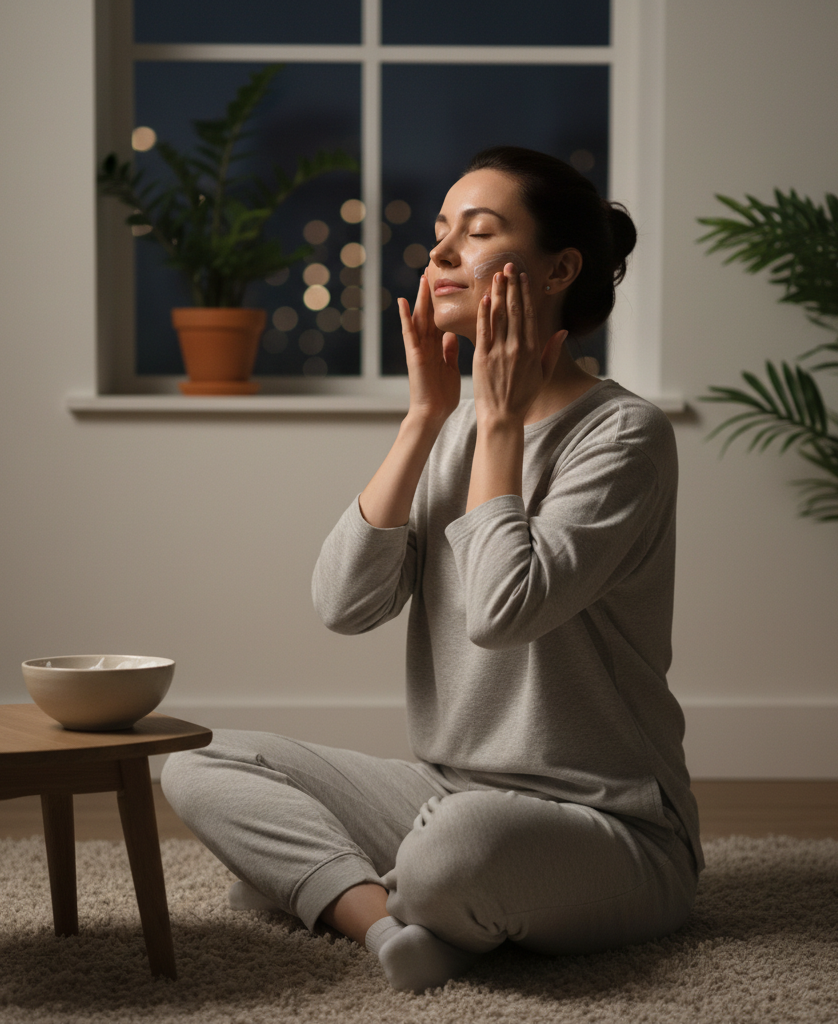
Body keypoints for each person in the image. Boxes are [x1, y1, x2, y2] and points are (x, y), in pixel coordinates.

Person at [162, 145, 704, 994]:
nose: (441, 254)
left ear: (559, 268)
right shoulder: (454, 428)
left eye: (477, 233)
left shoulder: (625, 437)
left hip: (610, 822)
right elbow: (344, 603)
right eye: (440, 232)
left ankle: (342, 887)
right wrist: (424, 418)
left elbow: (502, 609)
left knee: (454, 853)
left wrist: (499, 425)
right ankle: (383, 921)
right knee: (199, 760)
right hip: (442, 788)